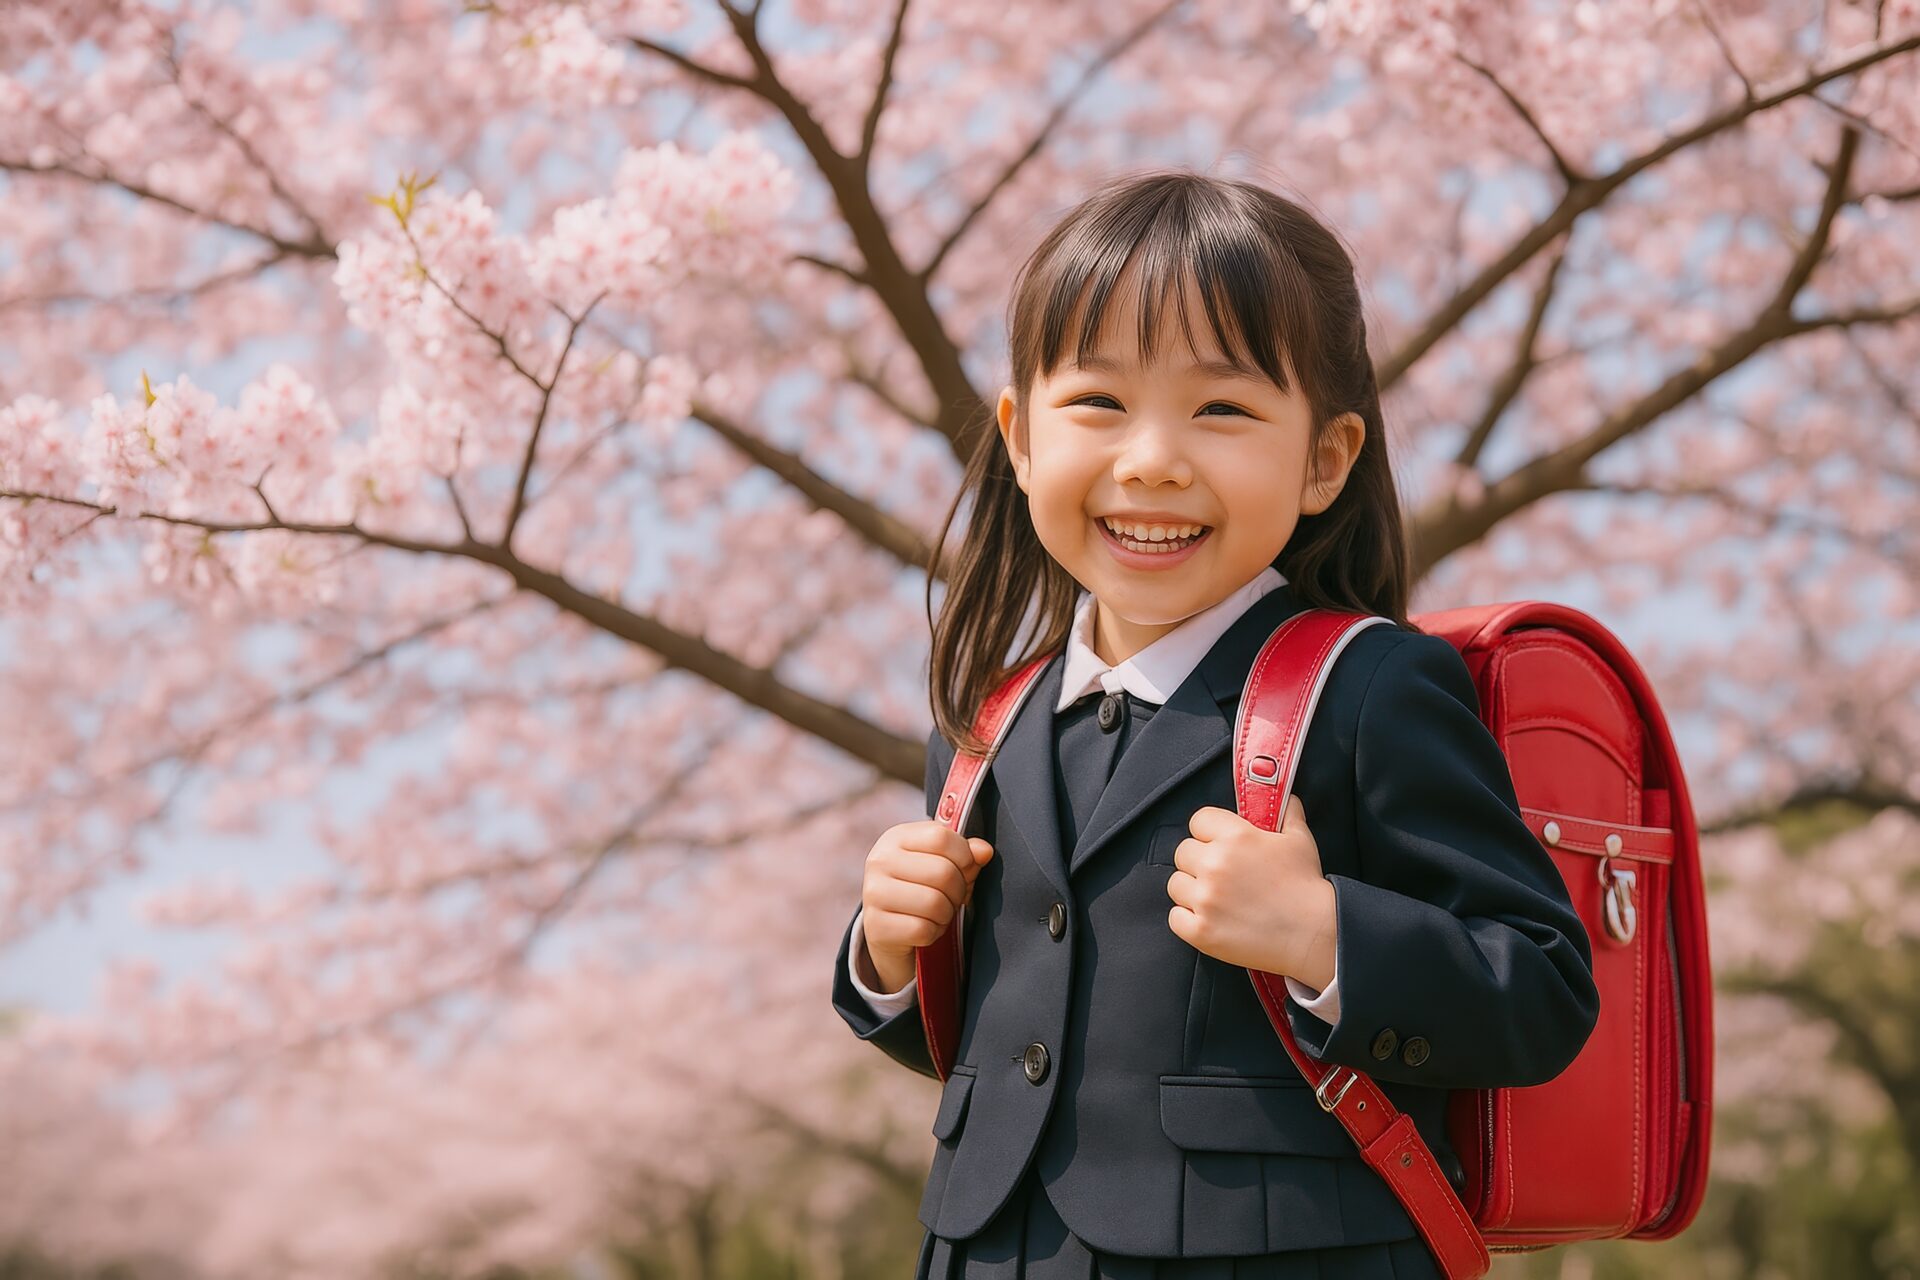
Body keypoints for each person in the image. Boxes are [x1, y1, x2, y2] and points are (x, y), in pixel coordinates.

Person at [829, 169, 1601, 1279]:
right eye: (1098, 403)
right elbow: (1021, 1048)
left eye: (1223, 409)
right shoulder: (985, 722)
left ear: (1326, 458)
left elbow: (1540, 987)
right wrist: (890, 955)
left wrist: (1321, 933)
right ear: (1021, 436)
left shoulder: (1371, 685)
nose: (1152, 458)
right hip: (993, 1250)